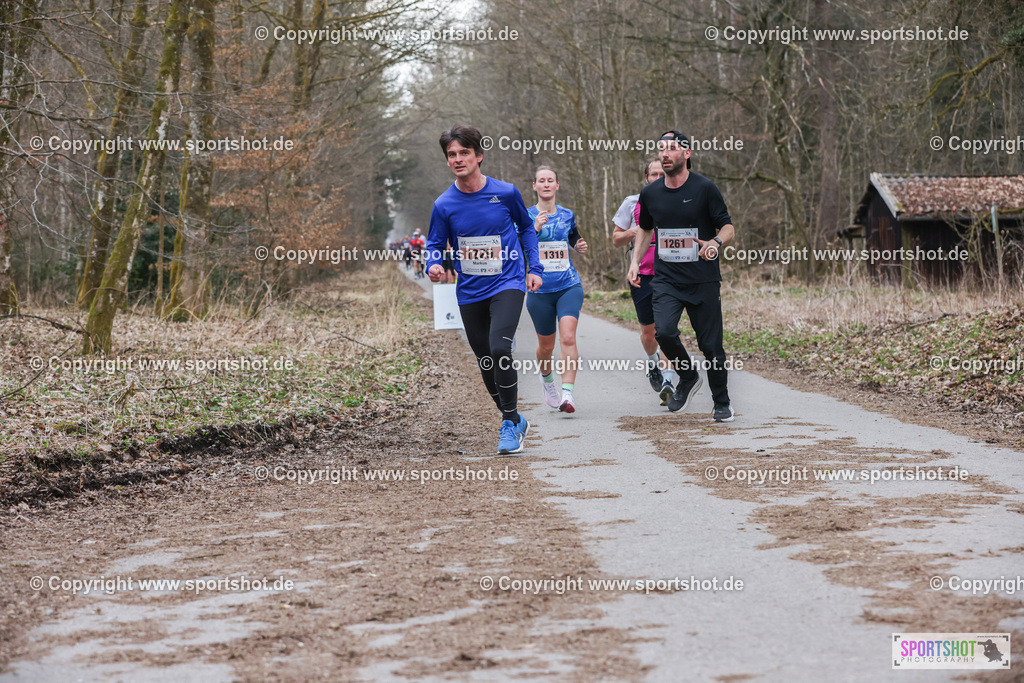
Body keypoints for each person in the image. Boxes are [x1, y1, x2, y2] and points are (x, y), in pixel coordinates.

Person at [426, 125, 543, 454]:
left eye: (464, 152)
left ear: (479, 155)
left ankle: (508, 425)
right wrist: (433, 265)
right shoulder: (444, 204)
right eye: (452, 154)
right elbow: (434, 244)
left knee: (500, 349)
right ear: (447, 161)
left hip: (507, 282)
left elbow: (526, 230)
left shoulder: (505, 193)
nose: (458, 159)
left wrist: (534, 268)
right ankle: (515, 418)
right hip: (470, 291)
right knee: (486, 362)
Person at [628, 130, 736, 422]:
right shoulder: (650, 193)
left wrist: (715, 243)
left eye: (672, 148)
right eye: (661, 148)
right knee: (663, 332)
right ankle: (687, 377)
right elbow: (645, 229)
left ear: (686, 154)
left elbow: (727, 227)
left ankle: (722, 402)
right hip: (666, 279)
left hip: (702, 280)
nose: (665, 153)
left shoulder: (705, 188)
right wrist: (635, 262)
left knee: (711, 345)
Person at [612, 158, 677, 405]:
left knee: (667, 330)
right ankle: (653, 365)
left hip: (671, 274)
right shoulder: (632, 203)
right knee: (649, 333)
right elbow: (616, 240)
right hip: (642, 274)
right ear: (646, 178)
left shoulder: (679, 200)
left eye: (662, 173)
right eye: (653, 174)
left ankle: (669, 380)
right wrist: (638, 230)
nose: (658, 178)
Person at [525, 166, 587, 414]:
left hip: (568, 285)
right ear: (535, 186)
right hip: (539, 290)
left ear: (557, 185)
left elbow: (573, 236)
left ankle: (568, 394)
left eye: (551, 180)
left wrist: (578, 245)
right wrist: (535, 229)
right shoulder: (525, 215)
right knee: (546, 346)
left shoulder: (567, 214)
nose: (547, 184)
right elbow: (518, 247)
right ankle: (547, 378)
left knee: (568, 338)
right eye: (542, 180)